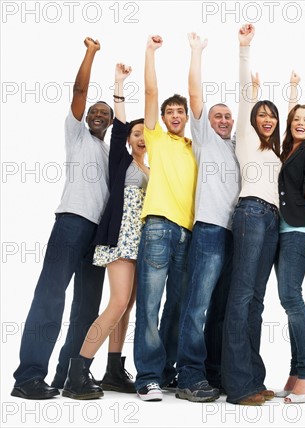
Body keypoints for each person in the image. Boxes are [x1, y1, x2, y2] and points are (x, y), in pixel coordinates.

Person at [11, 37, 110, 400]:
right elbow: (80, 89)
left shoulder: (106, 150)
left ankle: (68, 376)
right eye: (94, 112)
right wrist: (91, 53)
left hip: (97, 235)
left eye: (106, 114)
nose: (98, 115)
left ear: (111, 123)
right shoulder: (77, 135)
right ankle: (28, 377)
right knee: (51, 295)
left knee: (86, 307)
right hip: (71, 222)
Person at [61, 63, 148, 400]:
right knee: (118, 302)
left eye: (144, 134)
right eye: (135, 134)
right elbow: (122, 125)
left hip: (141, 241)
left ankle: (113, 369)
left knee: (127, 307)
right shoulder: (120, 161)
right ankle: (77, 371)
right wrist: (119, 83)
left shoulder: (150, 167)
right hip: (119, 238)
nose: (139, 137)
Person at [175, 32, 240, 403]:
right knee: (197, 303)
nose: (223, 120)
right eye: (218, 115)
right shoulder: (206, 138)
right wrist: (197, 52)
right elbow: (195, 95)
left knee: (221, 308)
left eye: (227, 116)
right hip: (210, 229)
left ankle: (214, 373)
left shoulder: (237, 144)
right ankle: (189, 375)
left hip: (237, 234)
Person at [133, 35, 197, 402]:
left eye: (180, 112)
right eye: (169, 112)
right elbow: (151, 92)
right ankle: (148, 377)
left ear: (186, 118)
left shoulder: (192, 147)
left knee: (178, 305)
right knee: (151, 304)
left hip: (188, 233)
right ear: (163, 119)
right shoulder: (155, 138)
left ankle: (169, 371)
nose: (174, 116)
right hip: (158, 226)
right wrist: (150, 52)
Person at [221, 23, 281, 406]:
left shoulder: (273, 151)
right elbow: (246, 94)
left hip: (273, 219)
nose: (266, 118)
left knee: (257, 300)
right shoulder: (244, 138)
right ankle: (237, 385)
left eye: (271, 115)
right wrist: (244, 49)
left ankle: (254, 379)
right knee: (241, 296)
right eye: (260, 114)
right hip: (250, 214)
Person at [275, 101, 305, 404]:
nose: (300, 123)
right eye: (296, 118)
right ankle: (296, 372)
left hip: (298, 229)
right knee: (286, 298)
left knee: (291, 296)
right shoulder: (286, 152)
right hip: (280, 230)